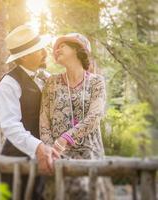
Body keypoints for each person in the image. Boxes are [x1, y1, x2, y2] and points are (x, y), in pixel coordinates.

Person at [0, 24, 59, 199]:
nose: (44, 52)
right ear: (24, 57)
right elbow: (10, 126)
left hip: (44, 158)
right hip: (16, 162)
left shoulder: (45, 77)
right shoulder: (8, 85)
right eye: (38, 49)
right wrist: (38, 147)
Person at [40, 33, 108, 199]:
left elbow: (94, 116)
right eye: (56, 47)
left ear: (78, 50)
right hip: (58, 156)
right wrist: (50, 149)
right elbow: (44, 121)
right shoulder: (52, 82)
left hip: (89, 155)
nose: (57, 49)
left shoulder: (96, 82)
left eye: (63, 45)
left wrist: (65, 138)